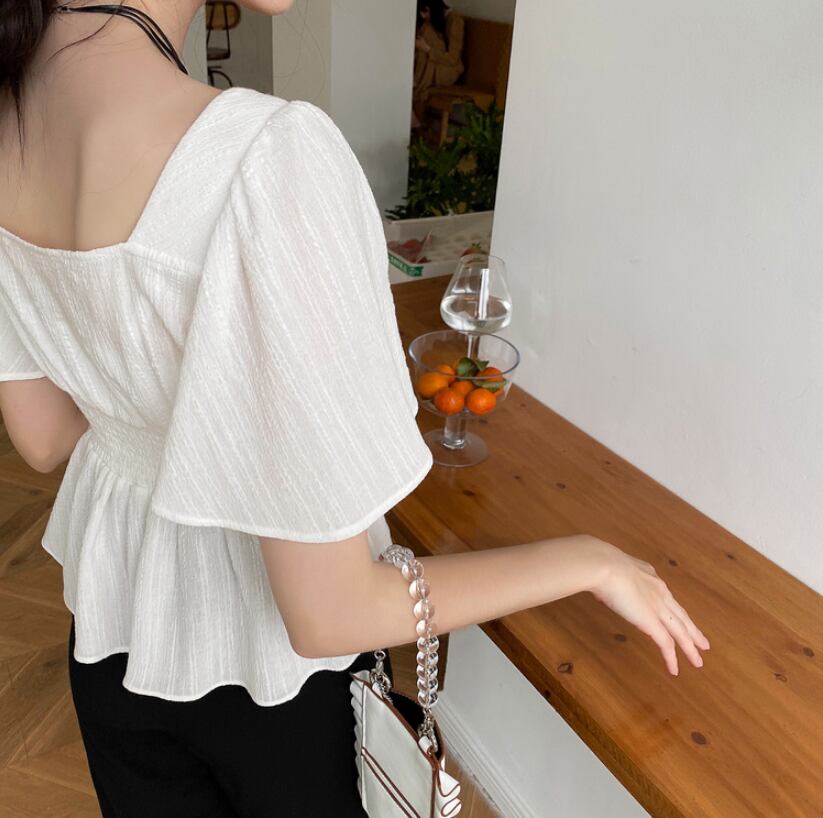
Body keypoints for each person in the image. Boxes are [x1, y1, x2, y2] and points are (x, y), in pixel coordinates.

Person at [0, 1, 710, 816]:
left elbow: (42, 435)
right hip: (268, 685)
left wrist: (141, 371)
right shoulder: (267, 160)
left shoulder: (13, 109)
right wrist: (587, 560)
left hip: (114, 631)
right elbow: (330, 614)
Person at [412, 0, 465, 129]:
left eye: (425, 11)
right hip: (433, 67)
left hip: (449, 70)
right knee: (425, 39)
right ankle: (413, 89)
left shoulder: (455, 21)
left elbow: (452, 59)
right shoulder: (432, 22)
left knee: (427, 39)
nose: (423, 16)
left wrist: (427, 49)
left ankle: (414, 89)